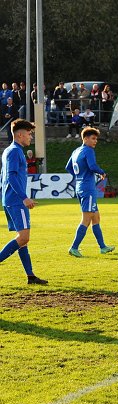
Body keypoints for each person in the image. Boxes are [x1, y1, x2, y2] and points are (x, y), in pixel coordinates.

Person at [0, 119, 47, 284]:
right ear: (20, 135)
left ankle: (30, 276)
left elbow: (3, 177)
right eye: (29, 134)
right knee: (24, 238)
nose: (31, 137)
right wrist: (24, 197)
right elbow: (11, 176)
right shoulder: (14, 151)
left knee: (22, 240)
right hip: (16, 200)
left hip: (10, 199)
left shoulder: (9, 151)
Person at [65, 127, 115, 257]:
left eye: (96, 139)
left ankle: (103, 247)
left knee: (96, 217)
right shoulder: (88, 150)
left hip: (80, 187)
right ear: (85, 138)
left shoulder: (76, 151)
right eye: (93, 138)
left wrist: (80, 176)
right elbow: (92, 166)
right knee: (86, 219)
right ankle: (74, 247)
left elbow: (68, 167)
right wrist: (102, 172)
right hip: (88, 189)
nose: (95, 141)